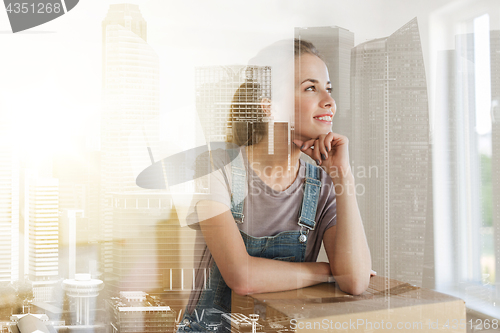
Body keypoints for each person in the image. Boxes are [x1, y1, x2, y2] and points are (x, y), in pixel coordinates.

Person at [179, 39, 372, 332]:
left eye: (328, 89)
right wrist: (326, 271)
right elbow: (241, 277)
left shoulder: (321, 183)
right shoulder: (217, 168)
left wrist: (343, 176)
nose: (330, 101)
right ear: (270, 105)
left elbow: (355, 280)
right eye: (311, 88)